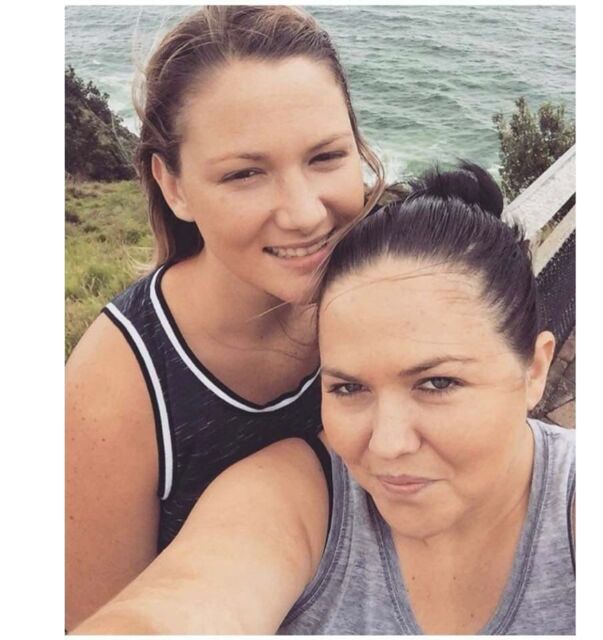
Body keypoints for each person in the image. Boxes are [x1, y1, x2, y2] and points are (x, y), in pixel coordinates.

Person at [73, 163, 576, 635]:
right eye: (349, 388)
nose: (387, 444)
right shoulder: (293, 498)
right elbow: (179, 605)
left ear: (534, 368)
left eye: (437, 383)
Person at [64, 5, 387, 630]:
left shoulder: (389, 286)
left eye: (325, 157)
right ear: (174, 186)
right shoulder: (113, 393)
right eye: (245, 174)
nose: (303, 213)